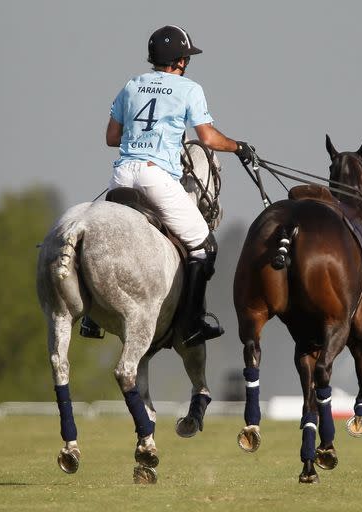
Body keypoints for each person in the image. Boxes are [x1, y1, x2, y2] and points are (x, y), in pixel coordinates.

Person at [80, 25, 255, 346]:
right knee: (205, 246)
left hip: (121, 176)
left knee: (99, 236)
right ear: (181, 61)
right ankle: (192, 323)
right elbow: (208, 139)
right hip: (156, 177)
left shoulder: (132, 85)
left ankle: (92, 316)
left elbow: (111, 138)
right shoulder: (188, 89)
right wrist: (239, 146)